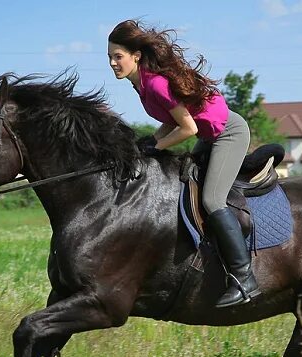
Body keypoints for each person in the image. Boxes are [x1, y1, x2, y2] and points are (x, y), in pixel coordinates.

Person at [108, 19, 260, 308]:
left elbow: (187, 128)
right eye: (110, 58)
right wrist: (148, 143)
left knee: (213, 200)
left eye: (118, 57)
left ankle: (244, 279)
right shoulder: (141, 84)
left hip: (228, 133)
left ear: (135, 56)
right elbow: (171, 121)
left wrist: (154, 146)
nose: (113, 63)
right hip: (209, 135)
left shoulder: (154, 83)